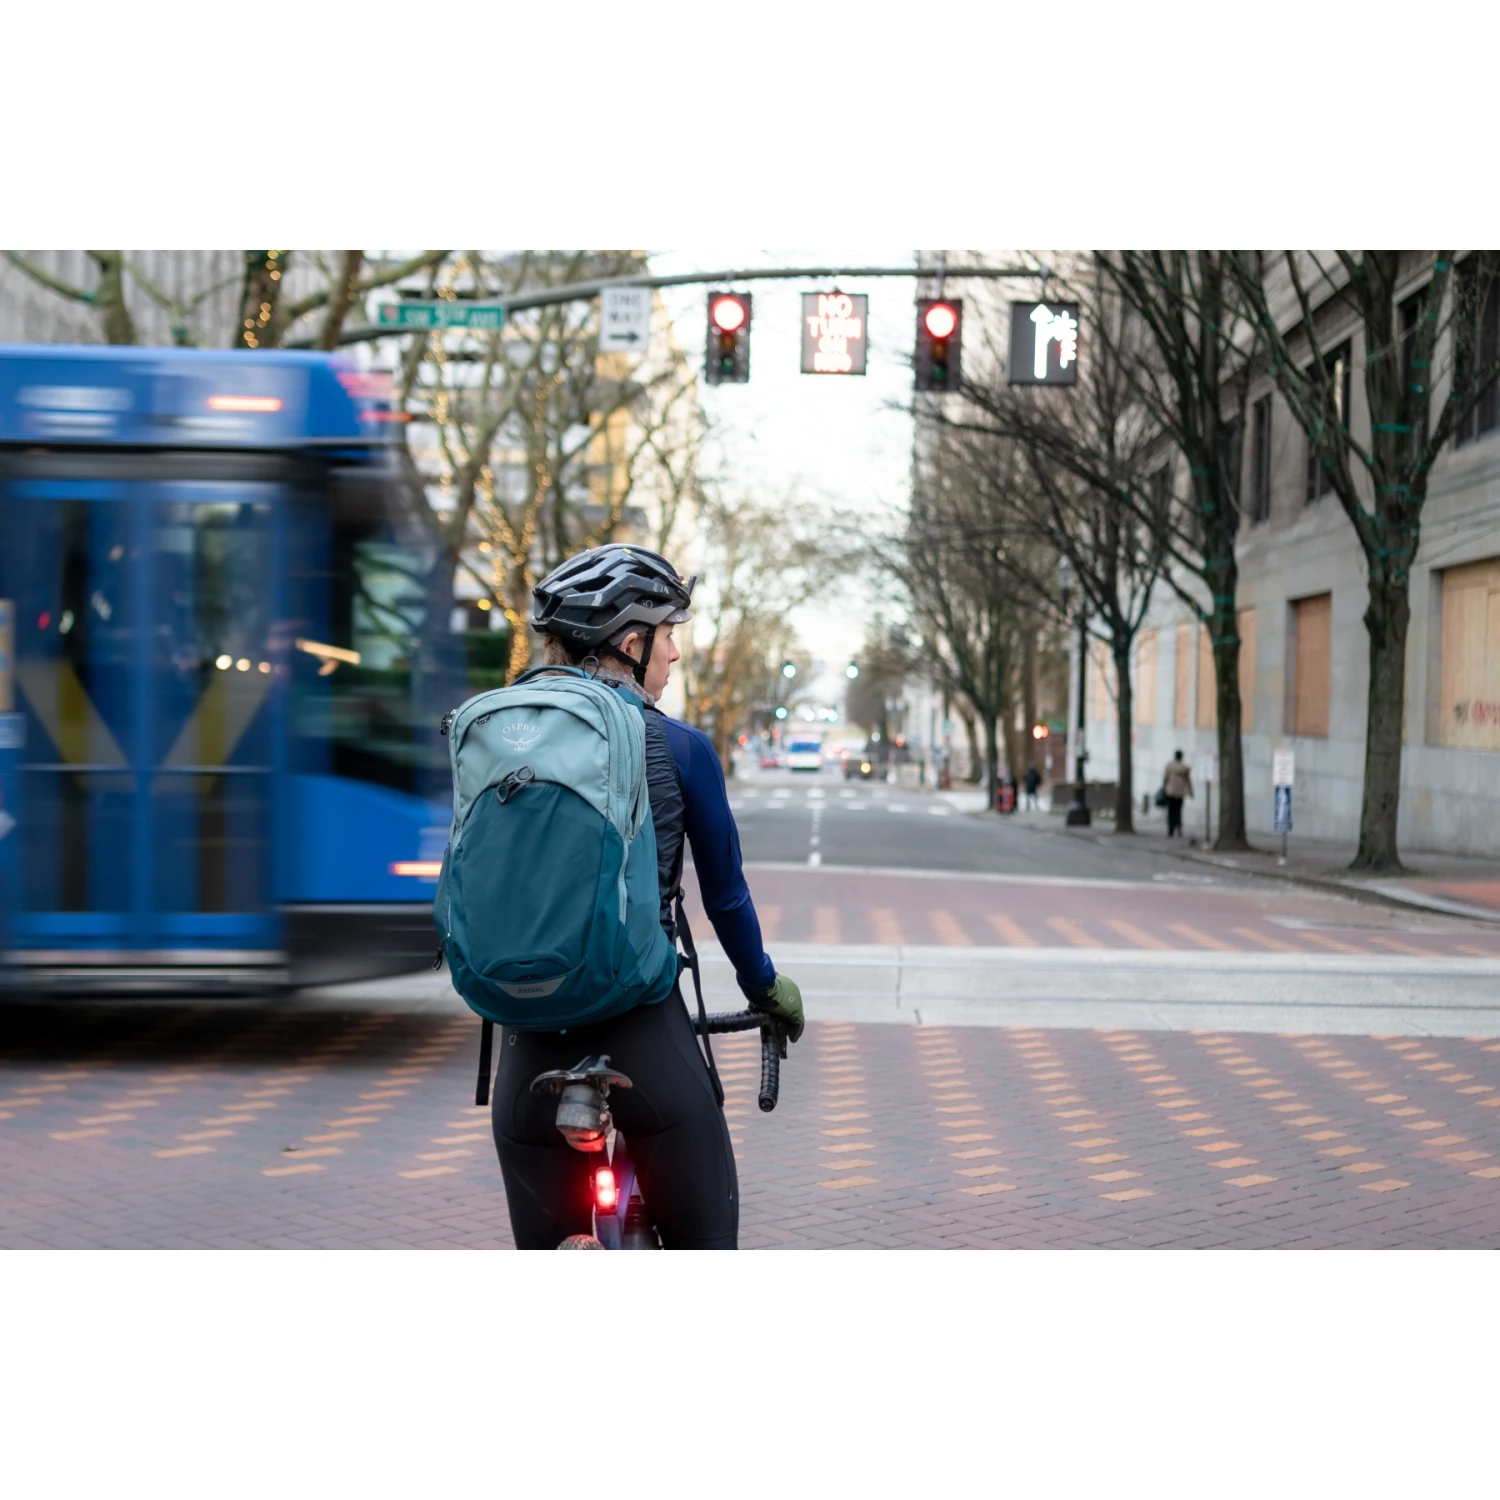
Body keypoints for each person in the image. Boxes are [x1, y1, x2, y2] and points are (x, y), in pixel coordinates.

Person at [489, 543, 803, 1250]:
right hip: (639, 1033)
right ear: (631, 645)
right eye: (669, 635)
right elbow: (726, 897)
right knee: (706, 1242)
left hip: (525, 1042)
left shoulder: (498, 736)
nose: (676, 653)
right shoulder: (679, 748)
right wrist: (765, 987)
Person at [1162, 749, 1194, 838]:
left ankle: (1170, 830)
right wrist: (1191, 791)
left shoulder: (1169, 766)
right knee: (1178, 811)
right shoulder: (1185, 768)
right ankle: (1179, 828)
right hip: (1180, 792)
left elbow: (1165, 778)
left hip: (1170, 792)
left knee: (1171, 812)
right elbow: (1188, 781)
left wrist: (1164, 787)